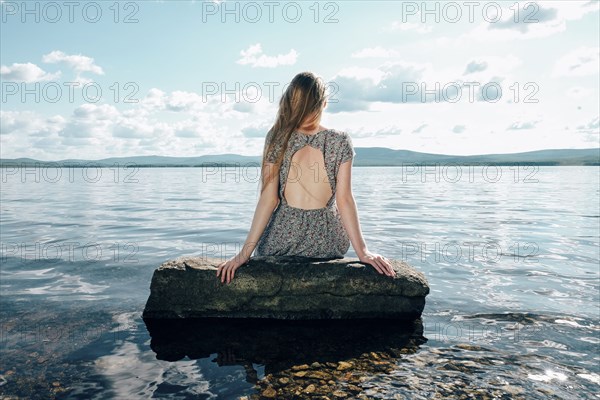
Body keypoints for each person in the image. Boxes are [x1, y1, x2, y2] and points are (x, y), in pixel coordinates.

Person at [217, 72, 395, 284]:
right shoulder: (340, 140)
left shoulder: (277, 136)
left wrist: (244, 254)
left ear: (291, 101)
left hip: (282, 240)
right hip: (328, 242)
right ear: (324, 104)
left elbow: (269, 199)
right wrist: (363, 252)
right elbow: (344, 199)